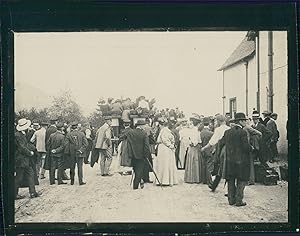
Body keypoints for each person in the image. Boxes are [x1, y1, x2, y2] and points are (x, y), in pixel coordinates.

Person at [221, 112, 251, 207]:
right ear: (240, 121)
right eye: (244, 121)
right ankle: (239, 201)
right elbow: (246, 147)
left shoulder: (227, 132)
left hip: (230, 161)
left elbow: (221, 143)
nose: (245, 123)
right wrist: (252, 148)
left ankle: (231, 200)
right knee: (241, 180)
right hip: (241, 161)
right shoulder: (243, 132)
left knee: (230, 179)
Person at [201, 114, 230, 191]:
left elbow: (212, 142)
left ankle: (215, 186)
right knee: (225, 167)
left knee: (218, 167)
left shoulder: (218, 130)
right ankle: (215, 186)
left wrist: (204, 148)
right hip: (229, 149)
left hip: (221, 149)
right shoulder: (229, 128)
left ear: (219, 121)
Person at [15, 118, 41, 199]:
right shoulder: (18, 135)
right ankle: (14, 194)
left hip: (25, 160)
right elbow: (21, 148)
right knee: (19, 177)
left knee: (31, 174)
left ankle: (32, 192)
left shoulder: (22, 134)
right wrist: (30, 152)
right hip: (21, 159)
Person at [124, 120, 152, 190]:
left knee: (136, 169)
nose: (144, 127)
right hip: (141, 155)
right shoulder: (144, 133)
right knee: (140, 169)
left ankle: (140, 181)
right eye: (143, 125)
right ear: (140, 126)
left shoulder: (130, 132)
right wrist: (146, 155)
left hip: (133, 154)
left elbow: (127, 142)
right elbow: (146, 146)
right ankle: (135, 185)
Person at [155, 120, 178, 186]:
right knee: (165, 163)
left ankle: (164, 179)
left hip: (165, 149)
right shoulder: (165, 131)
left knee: (165, 163)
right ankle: (165, 180)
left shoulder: (164, 131)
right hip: (165, 149)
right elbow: (165, 141)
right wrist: (172, 146)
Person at [184, 114, 203, 184]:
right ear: (197, 124)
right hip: (195, 147)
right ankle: (196, 178)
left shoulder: (190, 130)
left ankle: (190, 177)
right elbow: (198, 141)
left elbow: (188, 139)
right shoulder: (196, 131)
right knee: (195, 161)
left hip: (190, 147)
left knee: (190, 162)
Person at [200, 117, 214, 186]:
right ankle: (209, 181)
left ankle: (204, 180)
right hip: (209, 150)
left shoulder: (201, 132)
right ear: (209, 124)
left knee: (204, 165)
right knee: (209, 166)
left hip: (202, 150)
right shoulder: (211, 133)